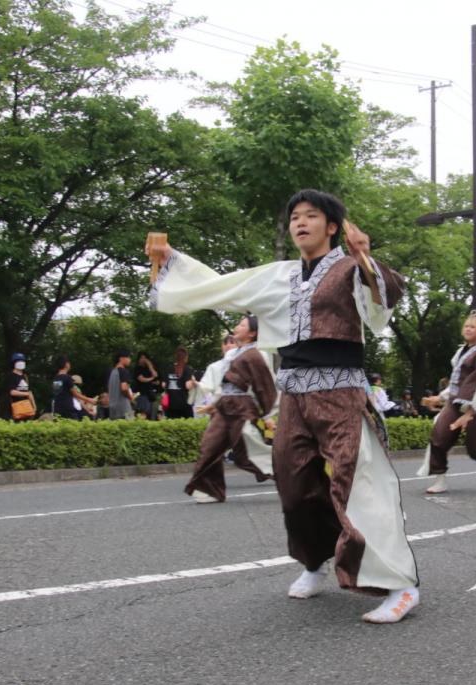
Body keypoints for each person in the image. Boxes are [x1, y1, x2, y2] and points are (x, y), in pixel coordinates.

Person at [147, 188, 420, 623]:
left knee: (359, 485)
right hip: (294, 396)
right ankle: (315, 562)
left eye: (311, 215)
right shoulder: (278, 275)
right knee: (295, 488)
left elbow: (385, 299)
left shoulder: (351, 267)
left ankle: (400, 585)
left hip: (341, 394)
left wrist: (366, 258)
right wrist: (170, 260)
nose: (300, 222)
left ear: (332, 226)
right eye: (295, 216)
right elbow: (222, 285)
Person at [418, 312, 476, 494]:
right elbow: (458, 383)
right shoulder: (461, 352)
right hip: (455, 402)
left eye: (472, 327)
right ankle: (440, 480)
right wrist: (440, 397)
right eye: (466, 326)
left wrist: (469, 413)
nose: (468, 329)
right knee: (439, 436)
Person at [185, 315, 277, 503]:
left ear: (252, 333)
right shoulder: (231, 355)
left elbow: (266, 386)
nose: (236, 327)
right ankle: (211, 490)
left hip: (242, 409)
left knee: (247, 454)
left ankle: (294, 473)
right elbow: (222, 385)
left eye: (241, 325)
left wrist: (268, 415)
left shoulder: (257, 354)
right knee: (209, 446)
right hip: (224, 407)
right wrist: (212, 404)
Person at [190, 335, 237, 418]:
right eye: (225, 343)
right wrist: (197, 384)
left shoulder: (243, 365)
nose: (228, 345)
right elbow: (205, 387)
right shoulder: (214, 367)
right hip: (217, 407)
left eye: (232, 342)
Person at [52, 355, 94, 420]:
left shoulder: (56, 378)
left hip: (57, 408)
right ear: (66, 364)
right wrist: (89, 399)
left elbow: (56, 393)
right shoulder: (68, 378)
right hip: (67, 408)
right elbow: (75, 394)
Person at [163, 347, 195, 419]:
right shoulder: (187, 369)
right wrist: (194, 381)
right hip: (184, 403)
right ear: (186, 357)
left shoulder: (169, 368)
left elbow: (164, 385)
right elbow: (188, 386)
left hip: (171, 403)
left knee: (172, 426)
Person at [106, 350, 135, 420]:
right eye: (128, 357)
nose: (129, 360)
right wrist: (131, 397)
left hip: (113, 408)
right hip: (124, 407)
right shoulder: (123, 371)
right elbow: (124, 388)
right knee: (132, 427)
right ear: (121, 358)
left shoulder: (111, 372)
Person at [4, 353, 34, 421]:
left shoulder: (25, 376)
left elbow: (29, 392)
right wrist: (26, 394)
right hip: (15, 408)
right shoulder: (11, 376)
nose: (21, 362)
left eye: (22, 361)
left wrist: (34, 406)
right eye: (18, 361)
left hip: (27, 408)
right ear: (14, 363)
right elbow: (12, 392)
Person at [133, 352, 160, 420]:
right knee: (143, 413)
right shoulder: (137, 368)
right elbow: (141, 379)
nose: (143, 359)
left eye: (145, 358)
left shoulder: (148, 369)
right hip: (141, 394)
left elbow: (155, 375)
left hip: (150, 394)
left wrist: (150, 365)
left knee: (151, 414)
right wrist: (152, 378)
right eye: (142, 358)